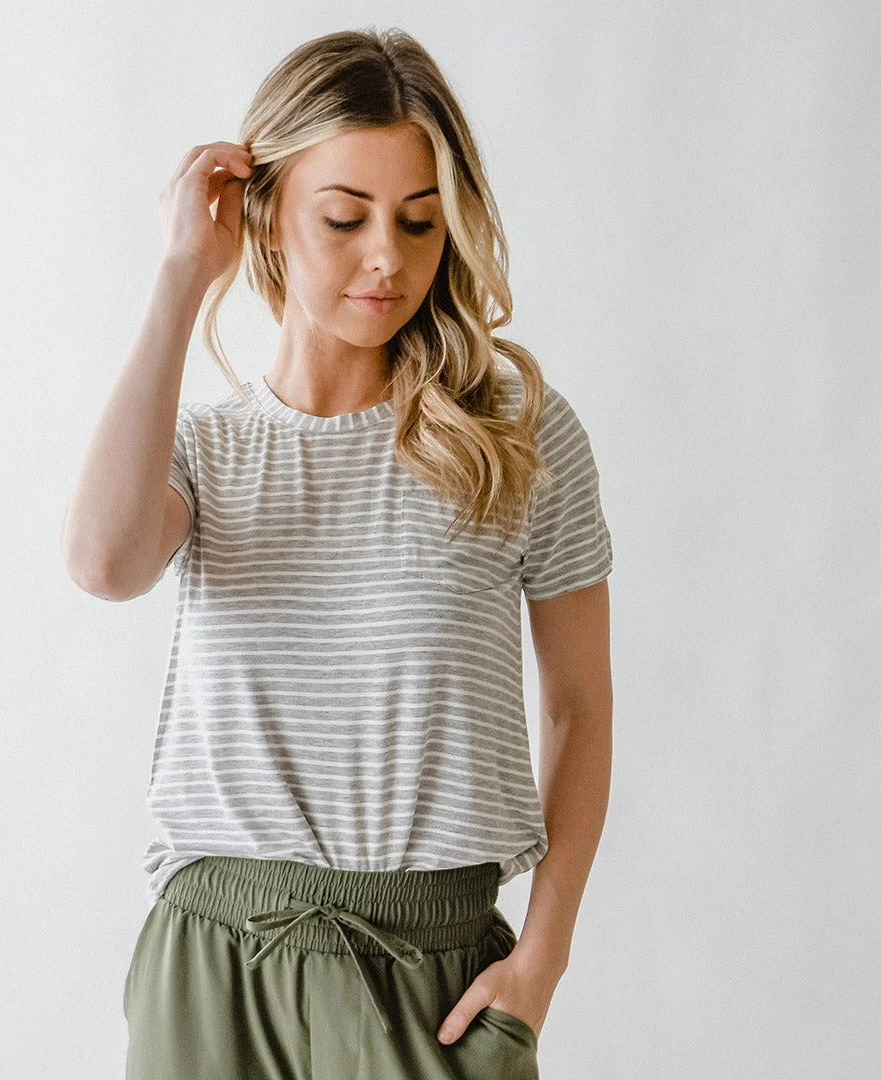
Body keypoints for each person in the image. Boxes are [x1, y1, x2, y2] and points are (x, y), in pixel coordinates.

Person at [61, 26, 613, 1080]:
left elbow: (580, 706)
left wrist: (543, 958)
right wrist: (181, 276)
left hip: (432, 976)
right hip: (213, 967)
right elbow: (102, 563)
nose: (388, 257)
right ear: (268, 216)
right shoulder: (205, 451)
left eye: (420, 220)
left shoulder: (516, 434)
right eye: (345, 218)